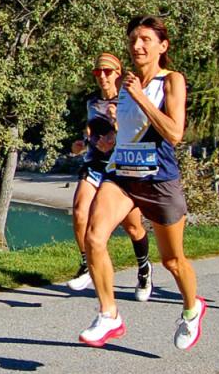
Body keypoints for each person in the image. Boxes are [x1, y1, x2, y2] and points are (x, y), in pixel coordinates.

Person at [78, 17, 208, 350]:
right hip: (123, 174)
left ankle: (193, 309)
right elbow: (129, 130)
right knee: (93, 236)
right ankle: (109, 314)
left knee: (173, 261)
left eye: (145, 40)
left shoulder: (171, 81)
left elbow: (175, 133)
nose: (137, 46)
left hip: (159, 180)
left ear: (162, 46)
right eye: (133, 39)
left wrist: (141, 98)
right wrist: (107, 140)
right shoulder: (127, 84)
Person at [64, 53, 159, 301]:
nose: (102, 77)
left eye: (107, 72)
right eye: (98, 73)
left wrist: (118, 128)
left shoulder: (129, 100)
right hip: (95, 164)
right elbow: (91, 133)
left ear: (118, 73)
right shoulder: (92, 102)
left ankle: (144, 268)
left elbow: (142, 132)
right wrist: (81, 144)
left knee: (133, 227)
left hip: (121, 168)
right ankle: (86, 263)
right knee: (79, 210)